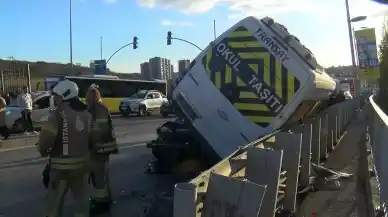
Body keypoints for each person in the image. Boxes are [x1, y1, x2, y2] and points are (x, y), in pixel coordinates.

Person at [37, 79, 93, 217]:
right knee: (81, 204)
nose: (55, 99)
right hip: (82, 167)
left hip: (61, 169)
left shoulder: (59, 113)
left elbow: (46, 139)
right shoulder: (87, 113)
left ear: (64, 95)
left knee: (53, 205)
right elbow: (92, 138)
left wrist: (42, 151)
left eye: (56, 96)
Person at [86, 87, 118, 214]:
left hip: (100, 149)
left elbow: (98, 131)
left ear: (94, 97)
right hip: (100, 149)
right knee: (101, 176)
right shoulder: (96, 108)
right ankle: (105, 199)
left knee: (99, 177)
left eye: (88, 97)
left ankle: (101, 203)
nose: (86, 99)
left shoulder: (98, 109)